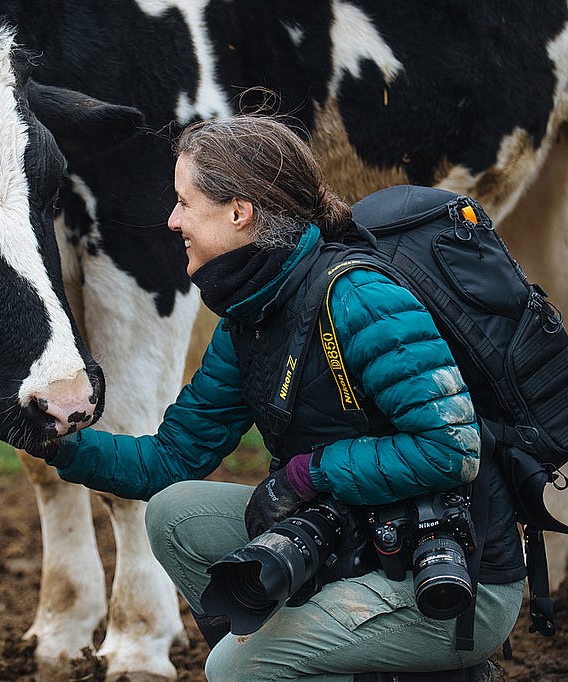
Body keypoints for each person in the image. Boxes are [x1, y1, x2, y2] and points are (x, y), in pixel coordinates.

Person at [28, 115, 526, 681]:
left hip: (449, 579)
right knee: (174, 514)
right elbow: (171, 460)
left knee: (236, 670)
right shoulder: (249, 317)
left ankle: (389, 666)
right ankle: (320, 664)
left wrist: (311, 473)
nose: (172, 221)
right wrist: (56, 444)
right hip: (354, 539)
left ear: (239, 212)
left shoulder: (359, 297)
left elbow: (452, 448)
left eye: (185, 203)